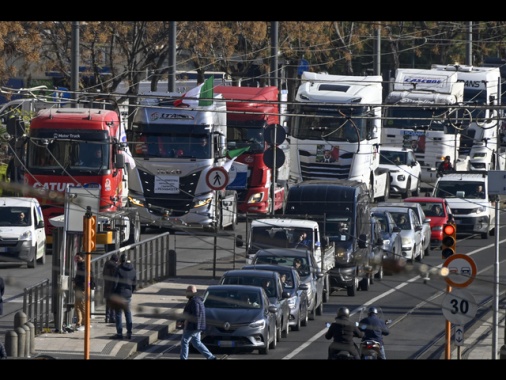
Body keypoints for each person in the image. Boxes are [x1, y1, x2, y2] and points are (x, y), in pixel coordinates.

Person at [180, 285, 216, 360]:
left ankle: (183, 358)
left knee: (184, 341)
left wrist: (187, 323)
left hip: (193, 326)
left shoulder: (194, 301)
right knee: (197, 343)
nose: (186, 293)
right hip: (197, 326)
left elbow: (195, 315)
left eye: (187, 291)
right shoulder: (195, 300)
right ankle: (211, 357)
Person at [111, 253, 137, 340]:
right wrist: (130, 291)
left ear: (121, 260)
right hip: (128, 295)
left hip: (119, 294)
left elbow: (115, 283)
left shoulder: (118, 269)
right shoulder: (133, 270)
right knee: (128, 313)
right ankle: (129, 332)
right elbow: (134, 284)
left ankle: (119, 333)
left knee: (118, 314)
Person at [73, 253, 95, 331]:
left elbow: (86, 279)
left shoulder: (84, 267)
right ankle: (79, 322)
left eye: (78, 258)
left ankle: (85, 323)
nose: (77, 260)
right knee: (77, 306)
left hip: (82, 289)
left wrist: (84, 288)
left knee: (82, 307)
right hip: (79, 289)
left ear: (83, 258)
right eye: (76, 258)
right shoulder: (80, 266)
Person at [102, 253, 119, 323]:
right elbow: (116, 278)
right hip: (113, 287)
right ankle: (112, 317)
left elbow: (103, 274)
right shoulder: (115, 267)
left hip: (107, 286)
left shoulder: (106, 265)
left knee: (108, 303)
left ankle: (107, 317)